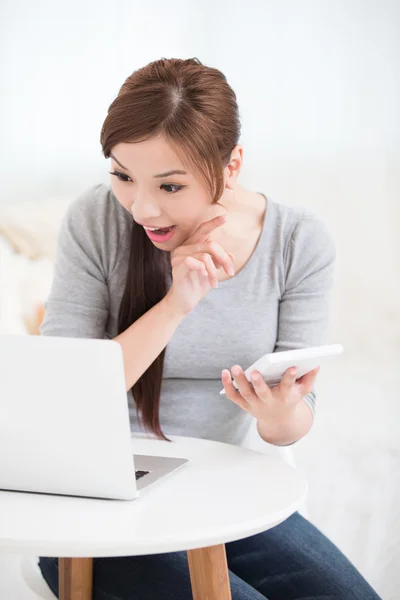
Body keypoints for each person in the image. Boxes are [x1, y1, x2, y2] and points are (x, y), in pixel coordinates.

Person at [38, 57, 380, 599]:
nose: (141, 208)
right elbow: (62, 396)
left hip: (223, 495)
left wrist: (280, 413)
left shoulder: (297, 241)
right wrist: (177, 303)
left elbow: (291, 424)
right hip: (95, 507)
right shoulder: (95, 220)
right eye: (123, 176)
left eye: (170, 186)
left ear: (231, 165)